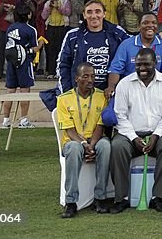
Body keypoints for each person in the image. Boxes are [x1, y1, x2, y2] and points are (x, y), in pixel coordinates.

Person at [109, 49, 162, 214]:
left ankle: (159, 197)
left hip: (159, 133)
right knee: (117, 146)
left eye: (146, 64)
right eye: (138, 64)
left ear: (155, 63)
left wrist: (156, 135)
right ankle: (121, 198)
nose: (142, 68)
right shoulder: (125, 84)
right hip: (130, 135)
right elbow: (120, 115)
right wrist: (134, 138)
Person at [56, 62, 112, 218]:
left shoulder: (102, 96)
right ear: (76, 78)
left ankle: (100, 198)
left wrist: (92, 145)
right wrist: (84, 144)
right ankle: (71, 202)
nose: (90, 80)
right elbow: (69, 130)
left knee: (106, 147)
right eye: (85, 76)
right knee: (74, 149)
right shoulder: (63, 99)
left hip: (96, 139)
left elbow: (100, 126)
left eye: (93, 76)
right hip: (74, 141)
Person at [57, 0, 129, 96]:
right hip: (81, 95)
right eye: (89, 12)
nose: (94, 16)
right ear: (84, 15)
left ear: (104, 14)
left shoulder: (117, 33)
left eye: (98, 11)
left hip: (109, 94)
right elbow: (63, 65)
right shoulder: (73, 35)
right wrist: (67, 93)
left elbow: (132, 52)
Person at [107, 13, 162, 91]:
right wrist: (111, 87)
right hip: (130, 89)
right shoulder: (126, 44)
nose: (150, 25)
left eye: (154, 23)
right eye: (145, 23)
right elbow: (115, 70)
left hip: (156, 89)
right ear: (139, 26)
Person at [1, 4, 39, 128]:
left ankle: (6, 120)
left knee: (10, 91)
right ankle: (23, 120)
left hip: (11, 62)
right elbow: (34, 48)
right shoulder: (30, 29)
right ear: (28, 15)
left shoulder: (10, 28)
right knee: (25, 91)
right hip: (24, 62)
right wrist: (41, 44)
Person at [41, 0, 71, 78]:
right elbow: (43, 16)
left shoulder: (65, 1)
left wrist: (58, 7)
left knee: (60, 49)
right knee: (50, 50)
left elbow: (68, 13)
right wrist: (49, 8)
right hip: (50, 28)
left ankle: (59, 71)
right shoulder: (47, 3)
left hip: (62, 27)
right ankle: (51, 72)